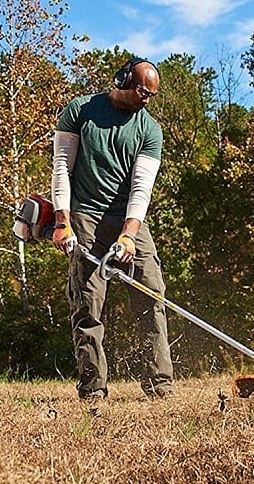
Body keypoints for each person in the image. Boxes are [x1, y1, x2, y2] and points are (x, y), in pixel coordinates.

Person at [49, 56, 174, 401]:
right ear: (122, 80)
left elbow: (141, 188)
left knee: (152, 295)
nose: (147, 99)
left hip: (128, 220)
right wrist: (62, 223)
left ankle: (160, 387)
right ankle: (93, 390)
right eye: (142, 91)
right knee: (88, 305)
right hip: (85, 216)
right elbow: (62, 167)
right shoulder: (81, 110)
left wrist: (129, 235)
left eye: (152, 94)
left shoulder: (149, 129)